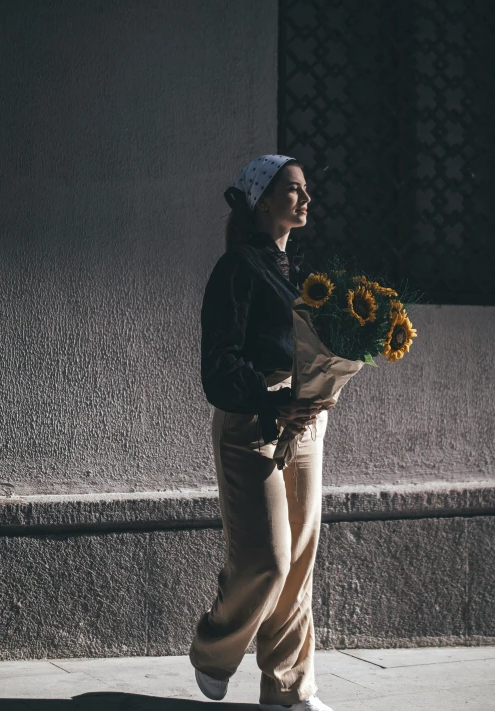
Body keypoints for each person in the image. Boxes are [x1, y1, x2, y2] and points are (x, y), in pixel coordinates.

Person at [189, 155, 334, 711]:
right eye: (293, 191)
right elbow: (218, 366)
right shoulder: (238, 269)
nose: (305, 200)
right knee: (267, 560)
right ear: (262, 201)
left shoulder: (298, 273)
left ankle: (289, 688)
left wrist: (316, 393)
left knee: (299, 561)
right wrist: (276, 400)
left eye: (305, 192)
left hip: (304, 423)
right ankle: (213, 650)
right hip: (251, 423)